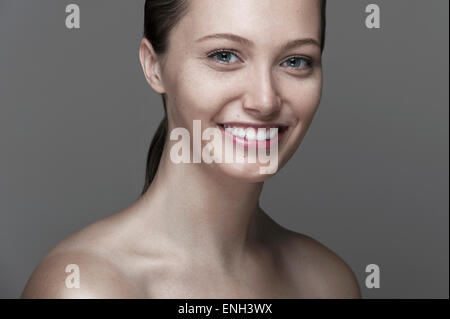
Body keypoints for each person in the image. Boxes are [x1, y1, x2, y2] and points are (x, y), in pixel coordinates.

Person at [21, 0, 361, 298]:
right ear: (154, 66)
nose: (265, 100)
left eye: (296, 61)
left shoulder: (329, 284)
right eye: (224, 55)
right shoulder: (85, 288)